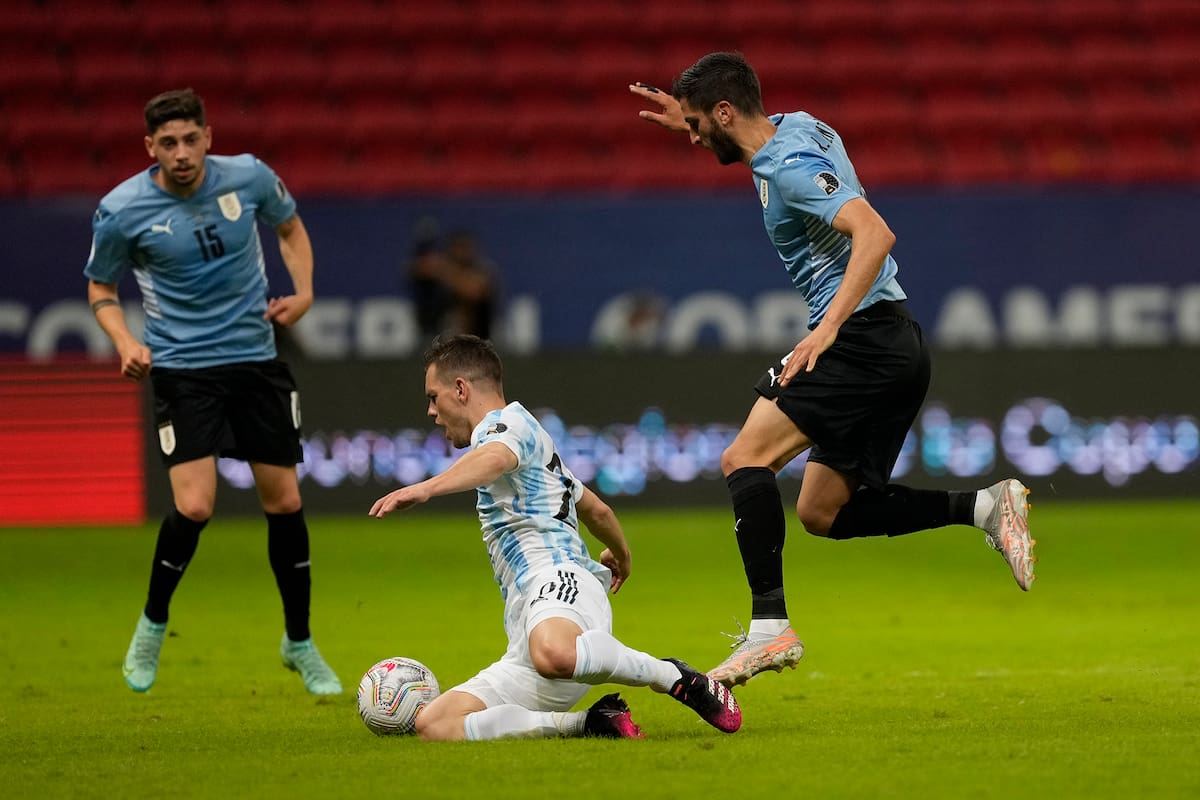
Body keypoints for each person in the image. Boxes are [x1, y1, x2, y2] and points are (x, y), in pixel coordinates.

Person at [630, 53, 1036, 688]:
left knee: (744, 459)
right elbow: (766, 153)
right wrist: (685, 119)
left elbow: (875, 234)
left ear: (727, 112)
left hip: (863, 340)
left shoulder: (789, 167)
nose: (694, 134)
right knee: (823, 512)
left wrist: (827, 326)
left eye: (699, 123)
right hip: (895, 344)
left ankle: (770, 628)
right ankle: (986, 506)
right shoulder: (801, 130)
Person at [84, 89, 341, 695]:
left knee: (283, 502)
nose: (181, 153)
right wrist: (124, 340)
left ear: (207, 135)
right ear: (150, 148)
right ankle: (152, 625)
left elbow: (291, 227)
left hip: (255, 359)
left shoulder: (248, 176)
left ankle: (299, 642)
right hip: (182, 368)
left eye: (190, 139)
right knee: (196, 505)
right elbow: (100, 287)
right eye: (167, 143)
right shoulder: (122, 210)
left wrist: (303, 291)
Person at [368, 334, 741, 740]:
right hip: (531, 628)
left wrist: (425, 488)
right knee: (434, 724)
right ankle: (591, 723)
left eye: (433, 396)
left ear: (460, 389)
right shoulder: (534, 447)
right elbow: (595, 509)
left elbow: (493, 459)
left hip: (560, 587)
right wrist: (622, 554)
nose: (430, 411)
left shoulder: (505, 426)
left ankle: (673, 676)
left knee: (553, 652)